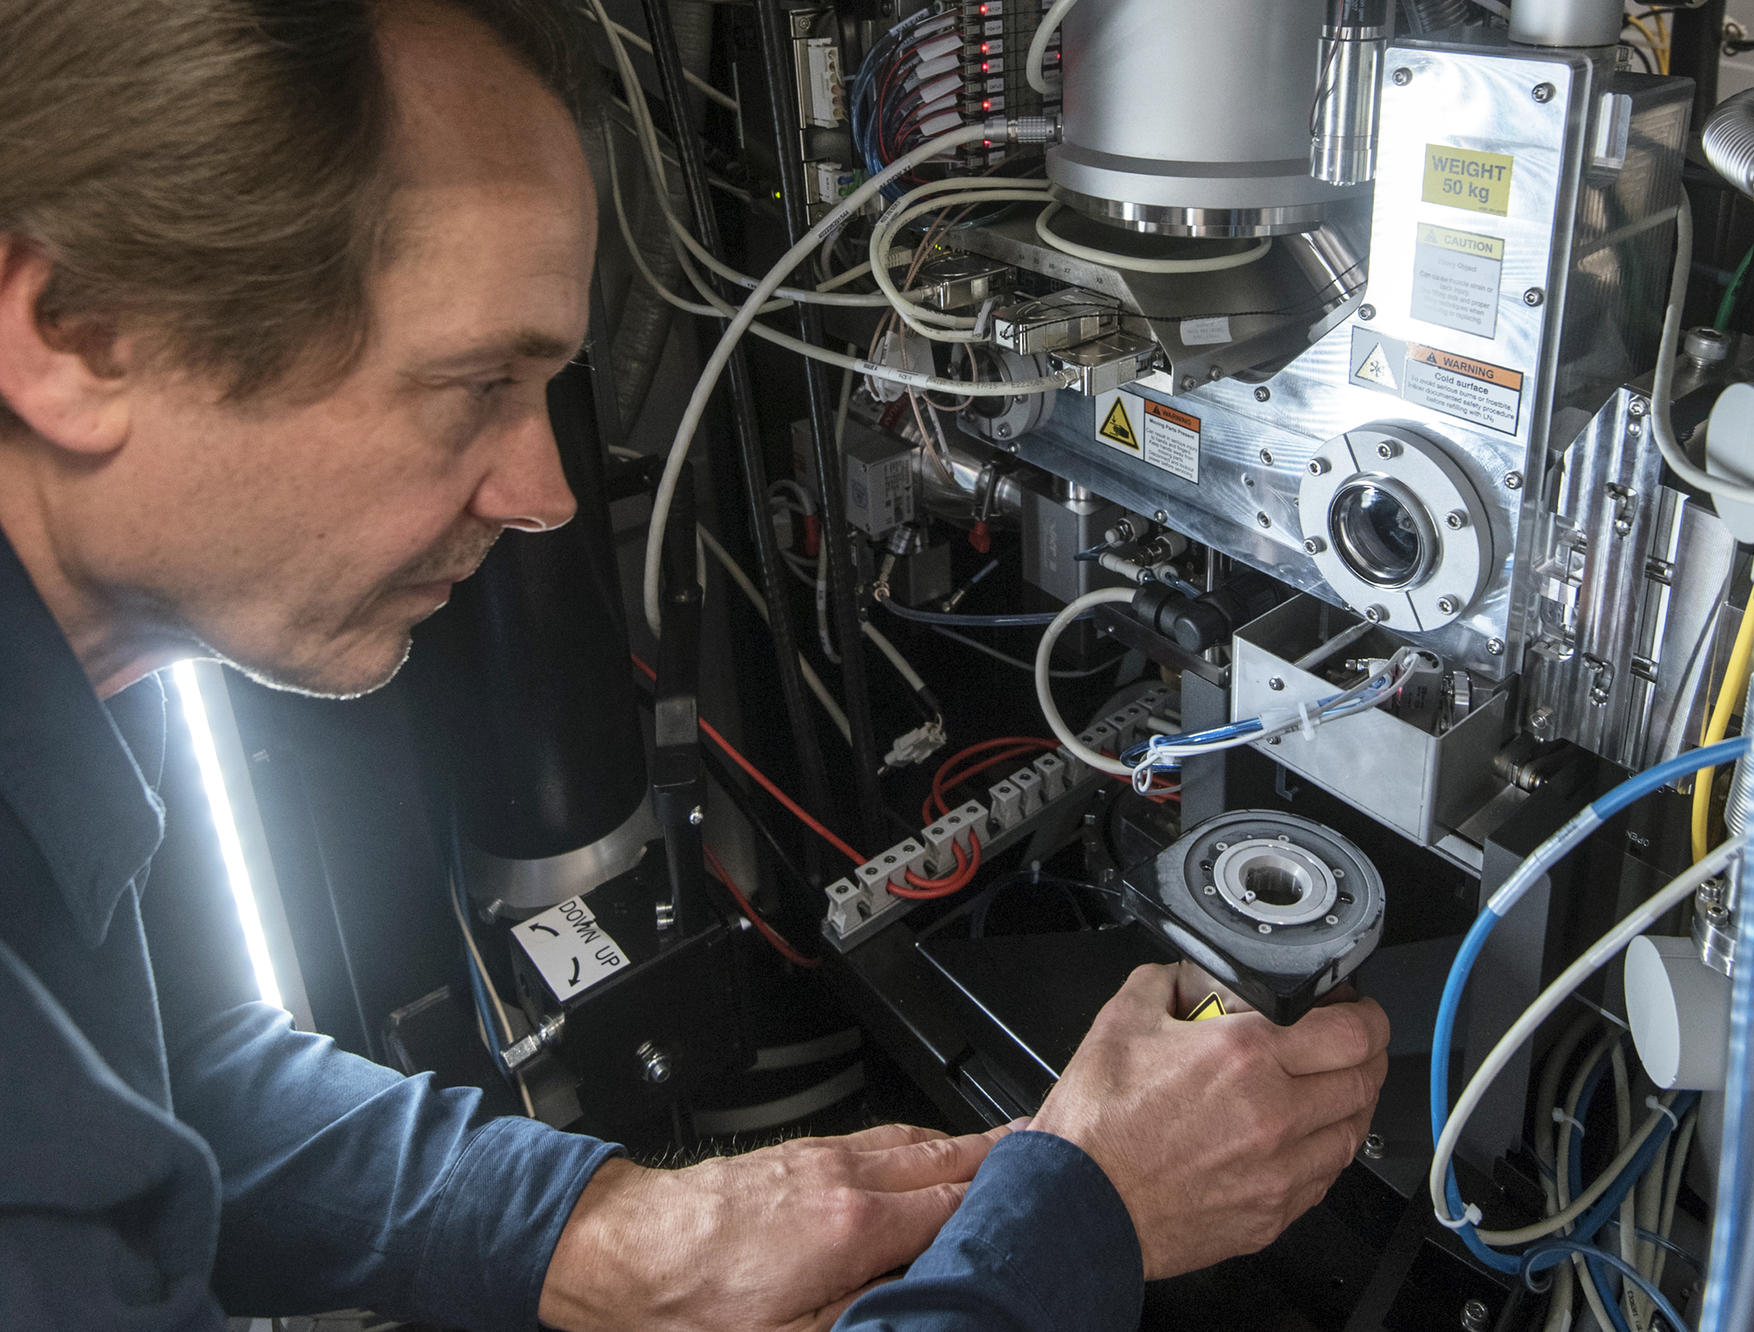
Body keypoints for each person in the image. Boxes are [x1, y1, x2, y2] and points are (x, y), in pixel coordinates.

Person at [0, 1, 1392, 1329]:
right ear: (78, 336)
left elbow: (160, 1090)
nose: (545, 492)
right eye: (474, 386)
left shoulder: (94, 671)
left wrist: (589, 1233)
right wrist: (1081, 1222)